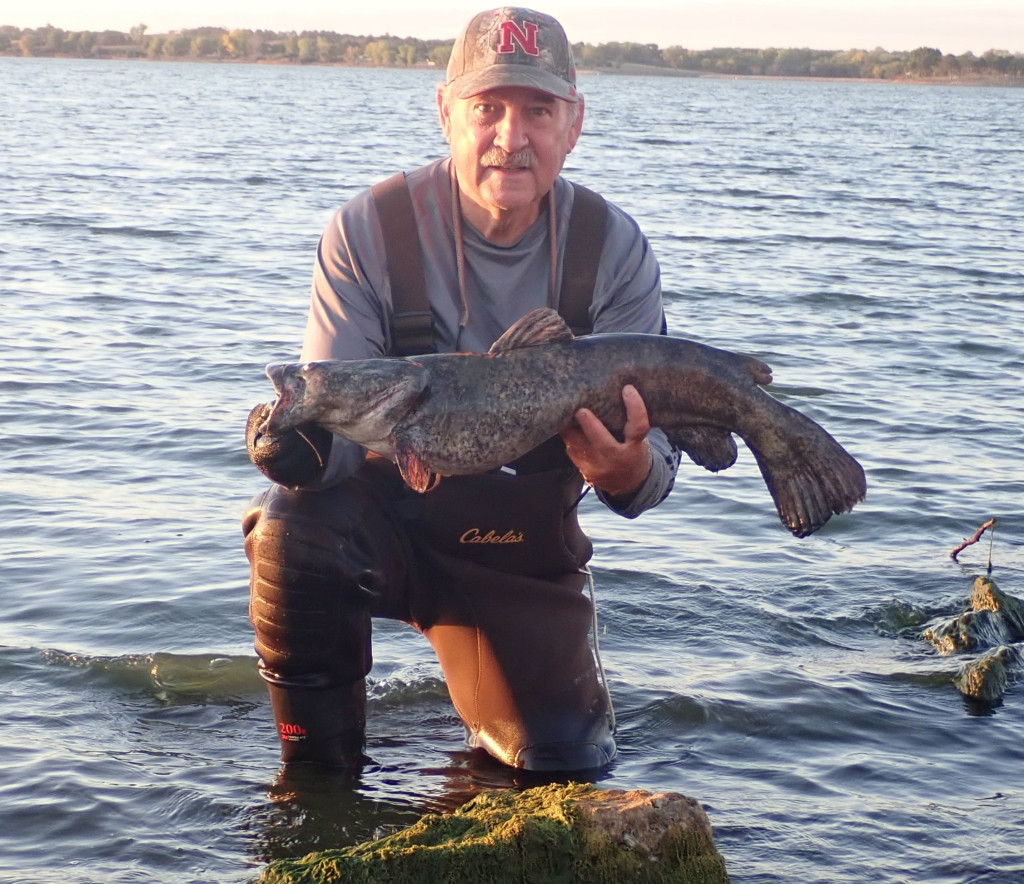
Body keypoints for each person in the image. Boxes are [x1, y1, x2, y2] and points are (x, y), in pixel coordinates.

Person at [243, 6, 680, 773]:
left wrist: (631, 471)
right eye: (488, 108)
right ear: (445, 112)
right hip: (380, 533)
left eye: (537, 111)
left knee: (561, 767)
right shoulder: (367, 231)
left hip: (518, 557)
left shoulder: (611, 249)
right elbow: (336, 449)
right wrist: (300, 451)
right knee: (289, 527)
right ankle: (315, 787)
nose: (511, 137)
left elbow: (655, 474)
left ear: (573, 123)